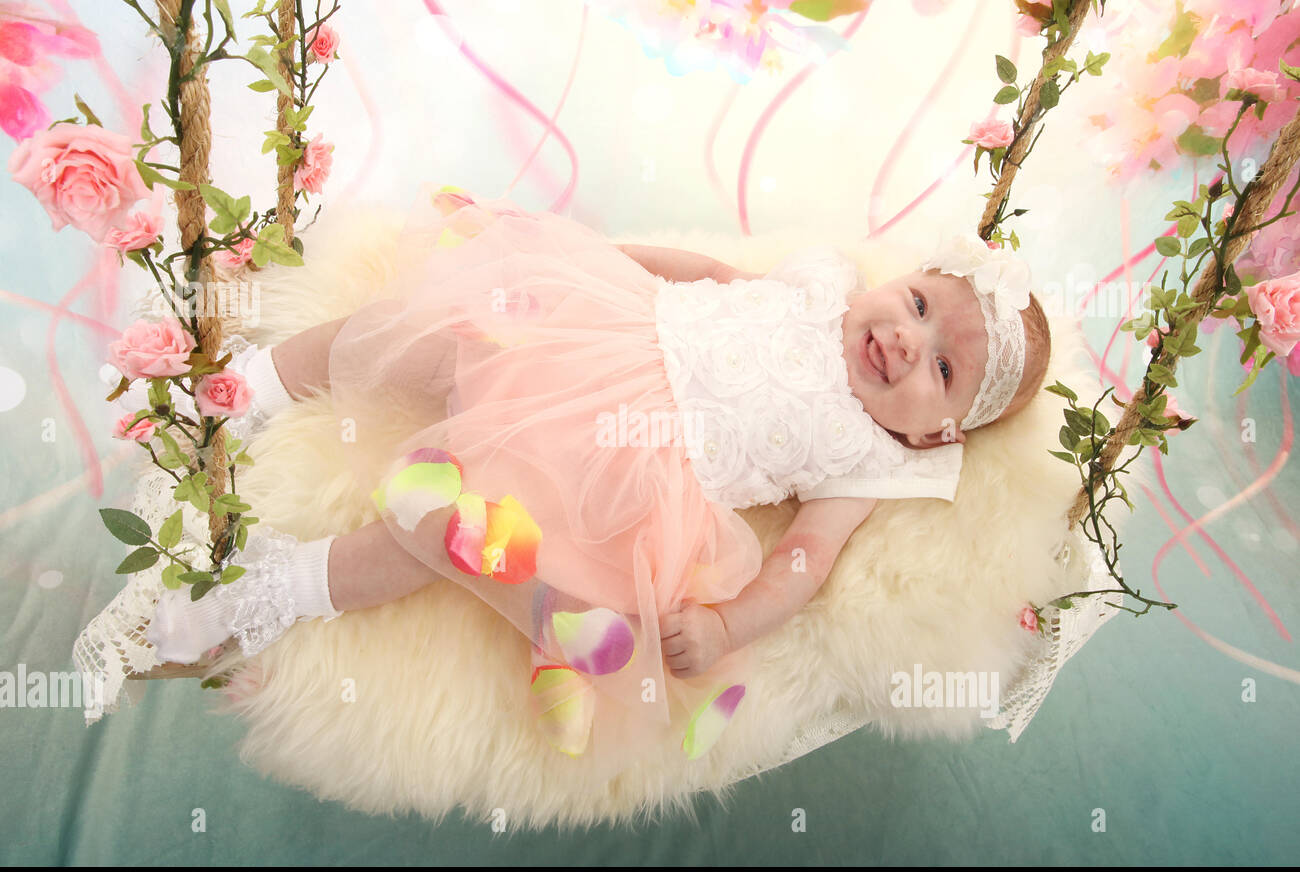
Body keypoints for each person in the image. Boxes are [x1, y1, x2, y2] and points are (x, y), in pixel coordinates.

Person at [139, 182, 1051, 778]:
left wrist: (735, 621)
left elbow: (806, 561)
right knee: (421, 331)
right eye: (922, 305)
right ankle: (251, 388)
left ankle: (277, 593)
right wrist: (585, 257)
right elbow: (701, 271)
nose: (905, 340)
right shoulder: (822, 285)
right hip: (601, 327)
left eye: (942, 369)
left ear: (939, 432)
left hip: (634, 461)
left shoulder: (871, 458)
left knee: (460, 526)